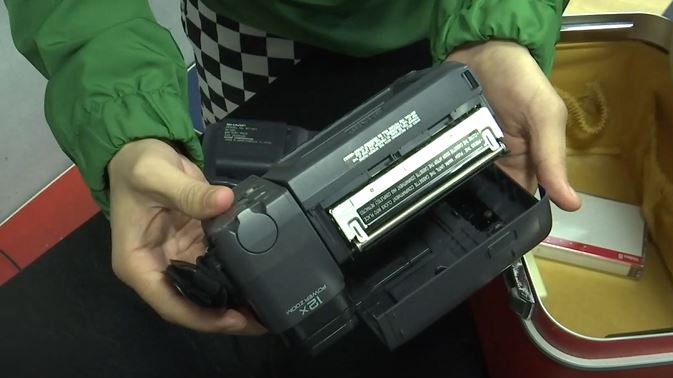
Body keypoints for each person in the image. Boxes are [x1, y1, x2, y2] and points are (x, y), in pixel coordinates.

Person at [5, 0, 581, 337]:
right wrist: (126, 119)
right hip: (254, 28)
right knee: (235, 201)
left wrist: (504, 29)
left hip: (453, 19)